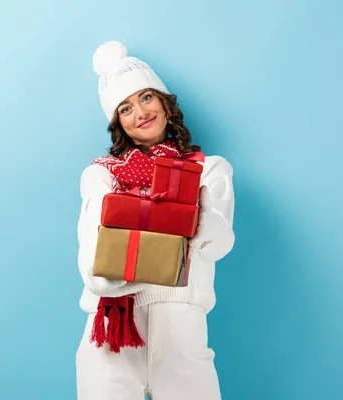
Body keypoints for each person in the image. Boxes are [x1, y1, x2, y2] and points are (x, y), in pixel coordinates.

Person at [75, 41, 236, 400]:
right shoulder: (101, 176)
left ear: (165, 101)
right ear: (118, 123)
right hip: (111, 339)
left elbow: (217, 244)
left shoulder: (209, 170)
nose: (140, 112)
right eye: (125, 108)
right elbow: (94, 265)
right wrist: (177, 222)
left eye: (146, 97)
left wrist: (135, 236)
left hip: (182, 333)